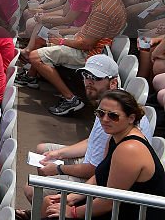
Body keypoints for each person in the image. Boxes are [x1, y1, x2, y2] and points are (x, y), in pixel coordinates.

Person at [47, 90, 165, 220]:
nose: (104, 119)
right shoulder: (115, 137)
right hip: (116, 205)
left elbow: (109, 201)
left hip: (133, 213)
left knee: (52, 211)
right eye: (100, 113)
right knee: (51, 202)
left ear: (131, 118)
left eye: (113, 116)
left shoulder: (129, 149)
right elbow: (100, 175)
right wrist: (73, 197)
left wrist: (73, 212)